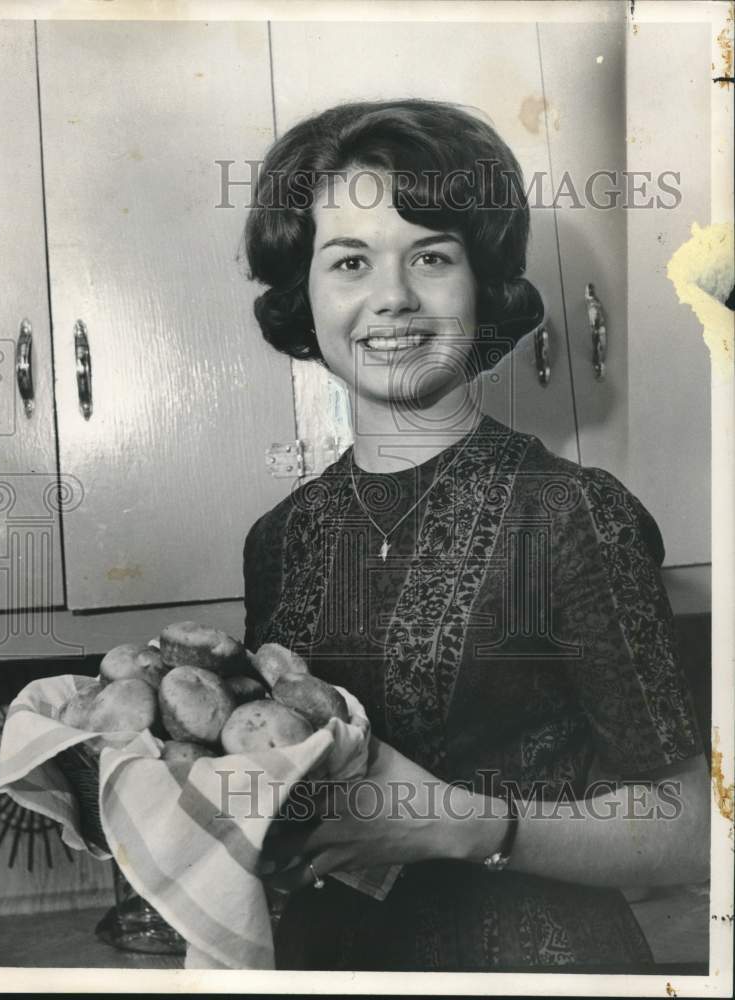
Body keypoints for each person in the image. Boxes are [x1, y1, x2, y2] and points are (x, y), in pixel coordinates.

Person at [240, 99, 709, 971]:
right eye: (349, 261)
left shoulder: (574, 516)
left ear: (482, 286)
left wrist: (472, 825)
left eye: (431, 256)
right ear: (301, 297)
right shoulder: (280, 539)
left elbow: (701, 827)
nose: (391, 297)